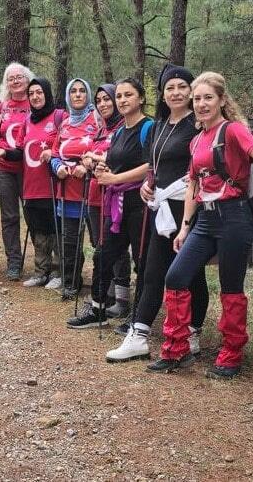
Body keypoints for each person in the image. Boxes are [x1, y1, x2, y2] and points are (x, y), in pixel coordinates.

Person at [150, 72, 253, 379]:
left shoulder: (233, 130)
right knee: (175, 277)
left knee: (230, 287)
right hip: (205, 220)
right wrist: (185, 228)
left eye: (207, 98)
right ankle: (176, 349)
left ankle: (231, 355)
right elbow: (192, 187)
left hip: (235, 217)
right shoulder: (197, 139)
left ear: (221, 101)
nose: (201, 104)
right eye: (197, 98)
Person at [107, 64, 209, 362]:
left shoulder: (199, 125)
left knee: (191, 274)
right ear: (162, 95)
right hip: (160, 210)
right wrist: (148, 185)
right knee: (152, 273)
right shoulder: (161, 125)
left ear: (191, 91)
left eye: (182, 87)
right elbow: (154, 165)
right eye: (170, 88)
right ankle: (138, 335)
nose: (176, 93)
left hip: (188, 210)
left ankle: (192, 332)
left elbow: (203, 167)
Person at [67, 78, 152, 330]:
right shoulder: (119, 132)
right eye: (120, 96)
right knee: (103, 254)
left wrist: (114, 177)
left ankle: (139, 316)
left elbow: (151, 165)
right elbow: (116, 160)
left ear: (141, 99)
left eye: (129, 95)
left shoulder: (148, 128)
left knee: (142, 259)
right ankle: (98, 308)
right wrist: (102, 165)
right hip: (116, 204)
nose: (123, 100)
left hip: (141, 204)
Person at [50, 78, 102, 299]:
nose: (78, 95)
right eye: (73, 91)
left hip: (93, 191)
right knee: (70, 240)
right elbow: (54, 153)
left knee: (97, 240)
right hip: (67, 190)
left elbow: (105, 148)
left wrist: (85, 166)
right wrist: (57, 166)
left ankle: (104, 288)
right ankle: (71, 282)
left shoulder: (98, 120)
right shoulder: (64, 122)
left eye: (82, 91)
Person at [82, 84, 129, 315]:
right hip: (94, 194)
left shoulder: (123, 128)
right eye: (99, 100)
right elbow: (89, 160)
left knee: (116, 249)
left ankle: (122, 298)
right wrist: (88, 161)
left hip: (115, 197)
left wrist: (97, 158)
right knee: (99, 246)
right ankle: (106, 294)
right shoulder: (100, 130)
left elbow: (120, 161)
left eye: (107, 99)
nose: (103, 104)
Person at [0, 62, 33, 280]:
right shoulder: (1, 107)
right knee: (9, 216)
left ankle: (45, 264)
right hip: (5, 168)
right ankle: (14, 262)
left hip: (30, 168)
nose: (15, 81)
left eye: (19, 77)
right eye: (10, 78)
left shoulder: (35, 102)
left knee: (33, 213)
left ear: (27, 80)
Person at [20, 78, 65, 289]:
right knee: (38, 228)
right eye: (31, 94)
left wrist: (54, 153)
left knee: (55, 228)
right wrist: (3, 152)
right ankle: (41, 271)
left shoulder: (59, 116)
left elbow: (68, 144)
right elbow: (21, 149)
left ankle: (59, 271)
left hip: (53, 184)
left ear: (47, 93)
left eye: (39, 92)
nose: (36, 97)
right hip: (31, 185)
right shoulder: (28, 120)